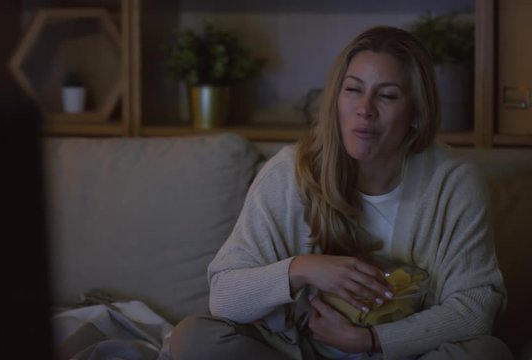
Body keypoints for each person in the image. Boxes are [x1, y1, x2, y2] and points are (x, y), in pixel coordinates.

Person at [169, 26, 511, 360]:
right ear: (336, 100)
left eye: (387, 95)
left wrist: (370, 339)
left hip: (408, 352)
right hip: (299, 351)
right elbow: (224, 296)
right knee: (194, 338)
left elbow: (476, 309)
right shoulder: (289, 173)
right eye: (353, 90)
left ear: (417, 114)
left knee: (488, 352)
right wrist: (302, 269)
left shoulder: (454, 183)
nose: (365, 108)